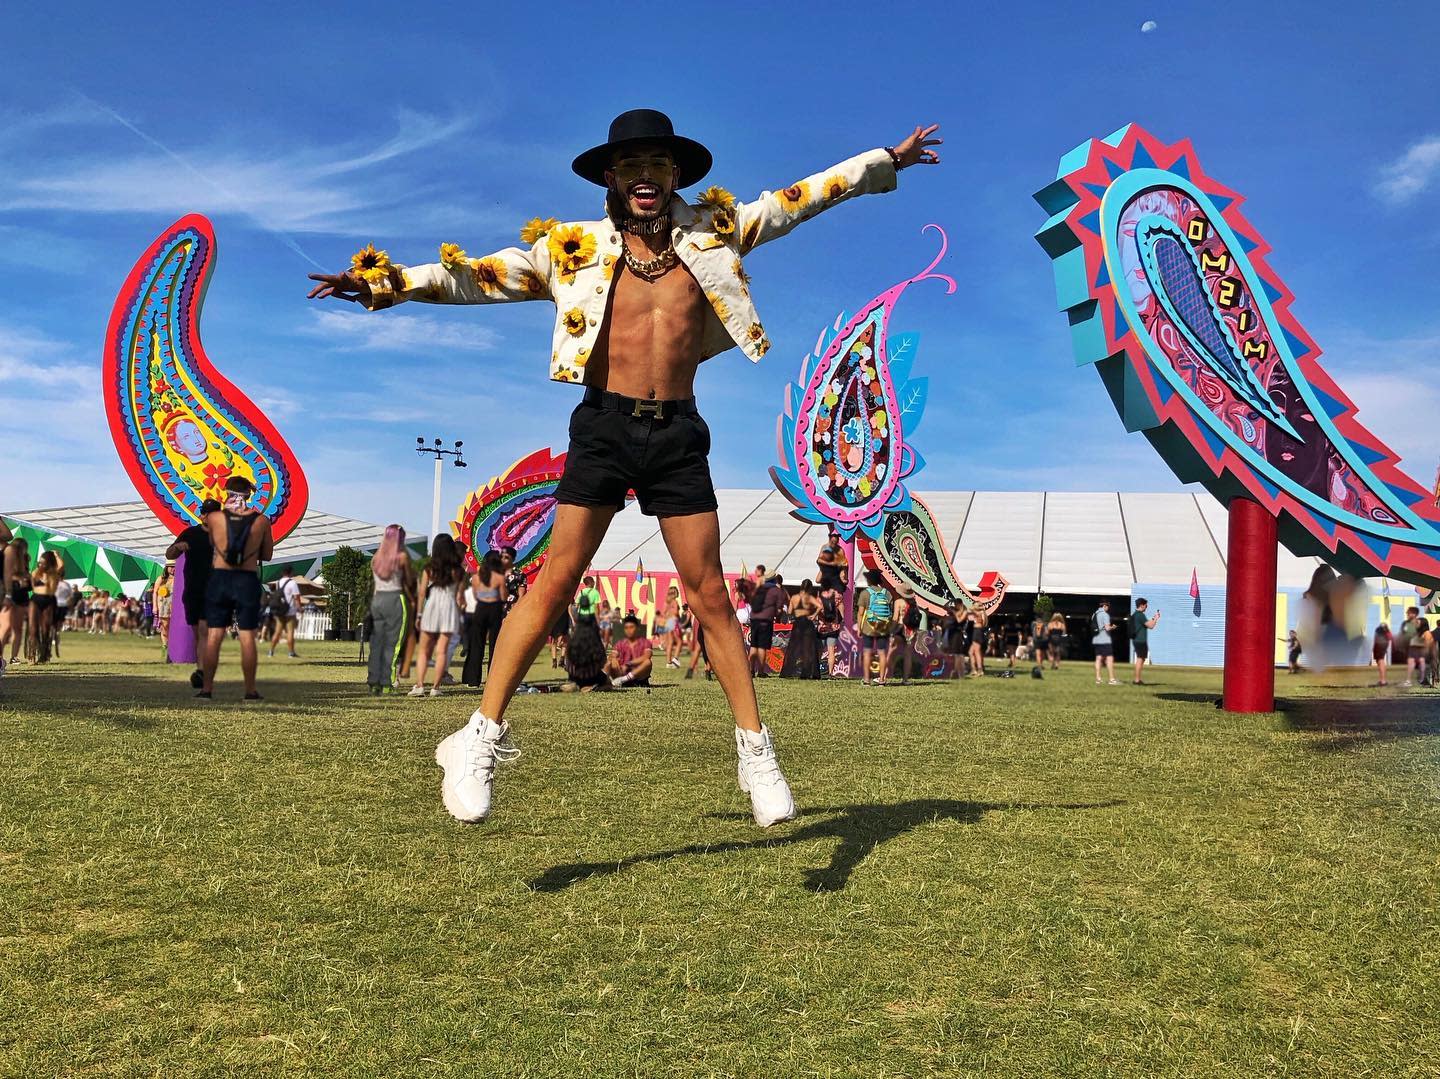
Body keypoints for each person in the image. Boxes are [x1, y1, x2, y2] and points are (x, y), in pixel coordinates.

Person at [310, 109, 940, 827]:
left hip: (676, 431)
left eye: (659, 165)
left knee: (707, 593)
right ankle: (478, 739)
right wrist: (382, 283)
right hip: (604, 426)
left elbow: (802, 197)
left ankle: (755, 751)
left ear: (676, 176)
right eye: (632, 165)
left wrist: (883, 160)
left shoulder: (715, 229)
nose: (646, 177)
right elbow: (472, 277)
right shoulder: (571, 248)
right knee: (554, 583)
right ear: (612, 178)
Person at [198, 476, 274, 700]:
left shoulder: (214, 518)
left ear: (227, 492)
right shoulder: (262, 521)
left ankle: (207, 689)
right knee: (247, 635)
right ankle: (250, 690)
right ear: (249, 495)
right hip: (247, 579)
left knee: (214, 635)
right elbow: (267, 555)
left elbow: (214, 545)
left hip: (220, 578)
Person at [165, 498, 221, 688]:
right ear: (202, 515)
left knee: (205, 632)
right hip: (193, 591)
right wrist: (177, 547)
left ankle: (204, 672)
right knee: (198, 634)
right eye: (207, 513)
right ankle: (202, 669)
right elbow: (169, 554)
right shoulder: (190, 533)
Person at [410, 534, 465, 697]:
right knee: (442, 651)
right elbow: (459, 598)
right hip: (449, 609)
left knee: (424, 651)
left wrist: (419, 615)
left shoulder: (429, 568)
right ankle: (436, 687)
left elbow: (421, 594)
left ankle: (419, 686)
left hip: (432, 606)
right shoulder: (459, 570)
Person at [367, 524, 414, 694]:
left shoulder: (376, 559)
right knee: (393, 644)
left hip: (378, 600)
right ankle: (388, 682)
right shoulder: (401, 557)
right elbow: (409, 579)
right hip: (395, 598)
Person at [463, 552, 509, 688]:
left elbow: (476, 595)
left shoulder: (476, 578)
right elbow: (504, 596)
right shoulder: (500, 577)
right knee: (495, 645)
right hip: (494, 609)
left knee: (477, 644)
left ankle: (473, 680)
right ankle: (493, 678)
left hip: (481, 609)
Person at [855, 570, 894, 687]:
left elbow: (861, 613)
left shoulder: (865, 593)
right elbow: (889, 612)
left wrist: (859, 628)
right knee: (882, 653)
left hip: (869, 627)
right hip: (883, 628)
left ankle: (867, 680)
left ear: (870, 580)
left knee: (867, 653)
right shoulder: (887, 593)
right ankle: (882, 679)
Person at [780, 579, 822, 679]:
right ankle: (806, 672)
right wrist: (813, 615)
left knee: (793, 648)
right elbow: (820, 606)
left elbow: (789, 611)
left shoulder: (794, 597)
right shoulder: (809, 597)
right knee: (808, 649)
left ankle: (788, 671)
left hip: (797, 623)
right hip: (807, 623)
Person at [748, 573, 787, 678]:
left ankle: (751, 670)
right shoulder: (776, 590)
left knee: (753, 645)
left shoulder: (758, 589)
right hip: (765, 620)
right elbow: (779, 609)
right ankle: (760, 671)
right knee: (762, 646)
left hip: (754, 619)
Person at [2, 537, 32, 668]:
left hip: (20, 594)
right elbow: (7, 574)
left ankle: (13, 657)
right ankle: (1, 656)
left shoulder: (25, 559)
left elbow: (24, 574)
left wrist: (26, 578)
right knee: (6, 627)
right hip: (11, 592)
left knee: (17, 628)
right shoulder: (8, 555)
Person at [607, 615, 654, 687]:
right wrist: (613, 658)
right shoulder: (620, 643)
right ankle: (615, 681)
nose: (629, 630)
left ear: (637, 628)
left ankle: (625, 680)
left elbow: (647, 656)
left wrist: (628, 664)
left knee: (647, 662)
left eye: (631, 627)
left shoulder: (645, 642)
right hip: (622, 673)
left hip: (639, 674)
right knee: (611, 660)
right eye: (626, 628)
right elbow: (613, 655)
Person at [268, 565, 302, 659]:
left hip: (280, 610)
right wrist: (299, 608)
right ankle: (291, 653)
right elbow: (296, 597)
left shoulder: (278, 582)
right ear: (291, 572)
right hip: (290, 610)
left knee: (277, 632)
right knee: (290, 632)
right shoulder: (293, 583)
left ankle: (271, 651)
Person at [890, 583, 921, 683]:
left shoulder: (898, 602)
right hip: (911, 631)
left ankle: (884, 676)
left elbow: (895, 618)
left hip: (900, 628)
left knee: (891, 653)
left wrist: (891, 631)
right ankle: (906, 679)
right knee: (908, 655)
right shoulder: (914, 603)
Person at [816, 578, 845, 677]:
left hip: (822, 628)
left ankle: (816, 671)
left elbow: (817, 610)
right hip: (834, 628)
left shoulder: (820, 597)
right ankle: (830, 673)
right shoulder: (838, 596)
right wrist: (841, 619)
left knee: (819, 650)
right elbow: (841, 609)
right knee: (831, 651)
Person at [1129, 598, 1160, 685]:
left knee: (1141, 659)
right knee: (1140, 659)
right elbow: (1151, 626)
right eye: (1146, 605)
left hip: (1137, 640)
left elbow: (1146, 624)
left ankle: (1137, 679)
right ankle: (1137, 680)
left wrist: (1153, 618)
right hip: (1140, 640)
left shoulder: (1136, 615)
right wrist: (1156, 619)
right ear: (1142, 605)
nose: (1147, 607)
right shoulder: (1140, 615)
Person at [1092, 600, 1118, 685]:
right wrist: (1113, 627)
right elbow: (1107, 628)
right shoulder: (1105, 614)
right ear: (1104, 606)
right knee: (1109, 658)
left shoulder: (1094, 614)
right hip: (1104, 639)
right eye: (1107, 607)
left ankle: (1098, 679)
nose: (1108, 608)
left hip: (1096, 639)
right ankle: (1111, 679)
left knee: (1098, 658)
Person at [658, 584, 683, 668]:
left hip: (668, 622)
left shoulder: (666, 602)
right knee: (679, 641)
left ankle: (668, 663)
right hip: (674, 621)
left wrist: (668, 616)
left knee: (670, 642)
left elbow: (663, 613)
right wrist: (677, 615)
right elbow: (676, 612)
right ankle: (675, 659)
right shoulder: (675, 602)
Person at [152, 564, 174, 648]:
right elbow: (155, 592)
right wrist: (155, 606)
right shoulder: (161, 579)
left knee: (173, 628)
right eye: (171, 567)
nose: (173, 569)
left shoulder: (179, 578)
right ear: (166, 567)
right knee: (164, 627)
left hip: (175, 607)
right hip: (163, 607)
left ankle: (172, 646)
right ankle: (165, 646)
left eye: (175, 567)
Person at [967, 610, 988, 679]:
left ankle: (979, 670)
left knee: (977, 652)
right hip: (978, 632)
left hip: (977, 633)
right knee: (971, 652)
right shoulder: (982, 613)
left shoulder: (979, 613)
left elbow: (969, 615)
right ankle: (974, 669)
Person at [1373, 621, 1393, 687]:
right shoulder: (1387, 631)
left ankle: (1383, 681)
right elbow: (1390, 638)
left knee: (1380, 661)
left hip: (1379, 644)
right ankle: (1383, 680)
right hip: (1383, 644)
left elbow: (1375, 638)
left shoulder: (1378, 631)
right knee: (1380, 661)